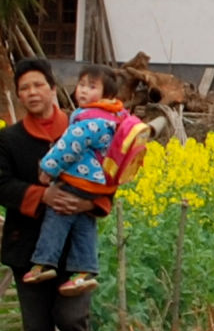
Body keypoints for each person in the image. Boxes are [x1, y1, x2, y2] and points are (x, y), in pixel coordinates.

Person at [0, 59, 95, 331]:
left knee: (72, 318)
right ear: (19, 96)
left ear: (52, 88)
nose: (31, 93)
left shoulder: (85, 128)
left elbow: (109, 175)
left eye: (37, 85)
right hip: (27, 247)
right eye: (24, 89)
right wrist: (42, 195)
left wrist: (93, 204)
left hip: (74, 251)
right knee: (37, 327)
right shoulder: (9, 139)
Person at [22, 66, 147, 292]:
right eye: (81, 85)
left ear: (107, 96)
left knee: (58, 213)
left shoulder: (91, 120)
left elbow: (68, 147)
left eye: (92, 87)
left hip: (79, 179)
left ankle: (43, 263)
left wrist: (47, 168)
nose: (83, 91)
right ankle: (84, 271)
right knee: (83, 223)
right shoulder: (113, 117)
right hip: (96, 185)